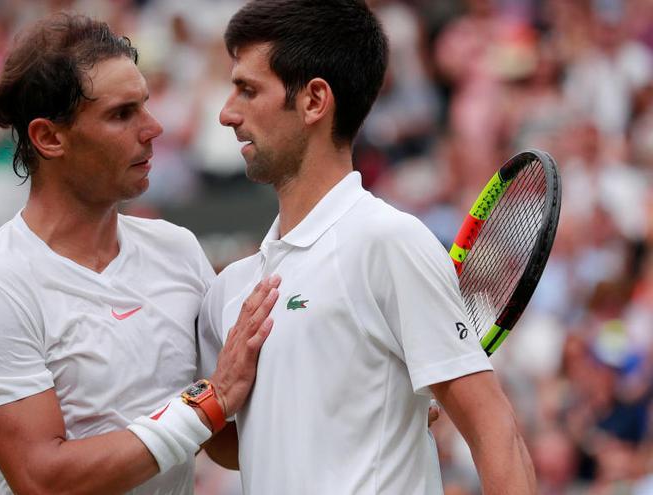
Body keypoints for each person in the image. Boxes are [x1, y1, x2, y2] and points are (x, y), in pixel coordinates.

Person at [197, 1, 537, 493]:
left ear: (315, 100)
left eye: (248, 90)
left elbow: (494, 431)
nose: (228, 113)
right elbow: (237, 446)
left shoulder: (387, 242)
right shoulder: (230, 288)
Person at [0, 13, 278, 495]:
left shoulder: (177, 249)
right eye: (122, 114)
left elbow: (221, 440)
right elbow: (42, 478)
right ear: (49, 138)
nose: (153, 127)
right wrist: (210, 400)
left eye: (145, 105)